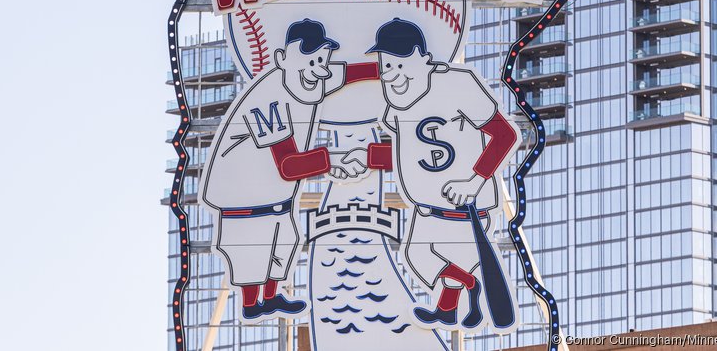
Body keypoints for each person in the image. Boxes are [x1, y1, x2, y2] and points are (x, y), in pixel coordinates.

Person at [199, 19, 377, 322]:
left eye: (322, 59)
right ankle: (253, 304)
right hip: (240, 198)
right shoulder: (266, 97)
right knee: (252, 256)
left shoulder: (310, 75)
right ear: (282, 60)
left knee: (285, 242)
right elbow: (288, 165)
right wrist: (333, 160)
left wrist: (388, 70)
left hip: (273, 196)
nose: (319, 68)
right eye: (310, 59)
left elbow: (351, 74)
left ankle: (270, 298)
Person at [360, 18, 520, 331]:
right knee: (419, 256)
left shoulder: (457, 83)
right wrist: (363, 157)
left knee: (430, 256)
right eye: (385, 65)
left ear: (420, 56)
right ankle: (457, 300)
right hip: (427, 208)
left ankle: (465, 290)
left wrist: (474, 180)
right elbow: (407, 156)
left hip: (463, 209)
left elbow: (504, 135)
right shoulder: (397, 102)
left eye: (397, 64)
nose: (390, 74)